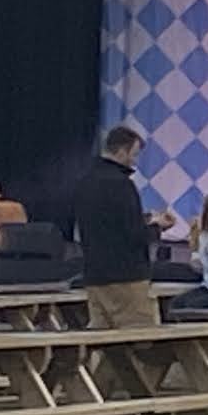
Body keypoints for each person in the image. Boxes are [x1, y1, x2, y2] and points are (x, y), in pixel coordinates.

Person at [72, 125, 176, 329]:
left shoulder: (85, 182)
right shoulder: (122, 185)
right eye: (134, 155)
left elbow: (106, 224)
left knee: (105, 347)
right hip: (127, 278)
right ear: (121, 151)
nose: (135, 162)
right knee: (143, 346)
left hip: (94, 276)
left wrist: (144, 221)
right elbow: (132, 234)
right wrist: (157, 228)